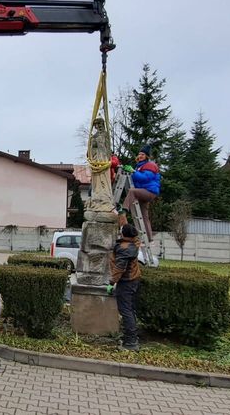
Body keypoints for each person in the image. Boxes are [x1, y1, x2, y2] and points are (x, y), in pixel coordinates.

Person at [107, 223, 143, 351]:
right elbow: (126, 227)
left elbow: (120, 267)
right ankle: (131, 337)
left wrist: (112, 283)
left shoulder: (124, 248)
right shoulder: (134, 242)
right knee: (131, 310)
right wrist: (121, 213)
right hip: (134, 280)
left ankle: (130, 343)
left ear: (123, 234)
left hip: (126, 282)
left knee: (126, 311)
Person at [121, 144, 160, 242]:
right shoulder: (140, 166)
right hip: (143, 192)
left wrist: (133, 171)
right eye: (139, 154)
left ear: (147, 156)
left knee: (132, 192)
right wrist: (130, 171)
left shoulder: (150, 165)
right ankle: (149, 238)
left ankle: (124, 210)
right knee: (144, 216)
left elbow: (145, 178)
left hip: (149, 192)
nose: (140, 156)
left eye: (142, 154)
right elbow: (136, 179)